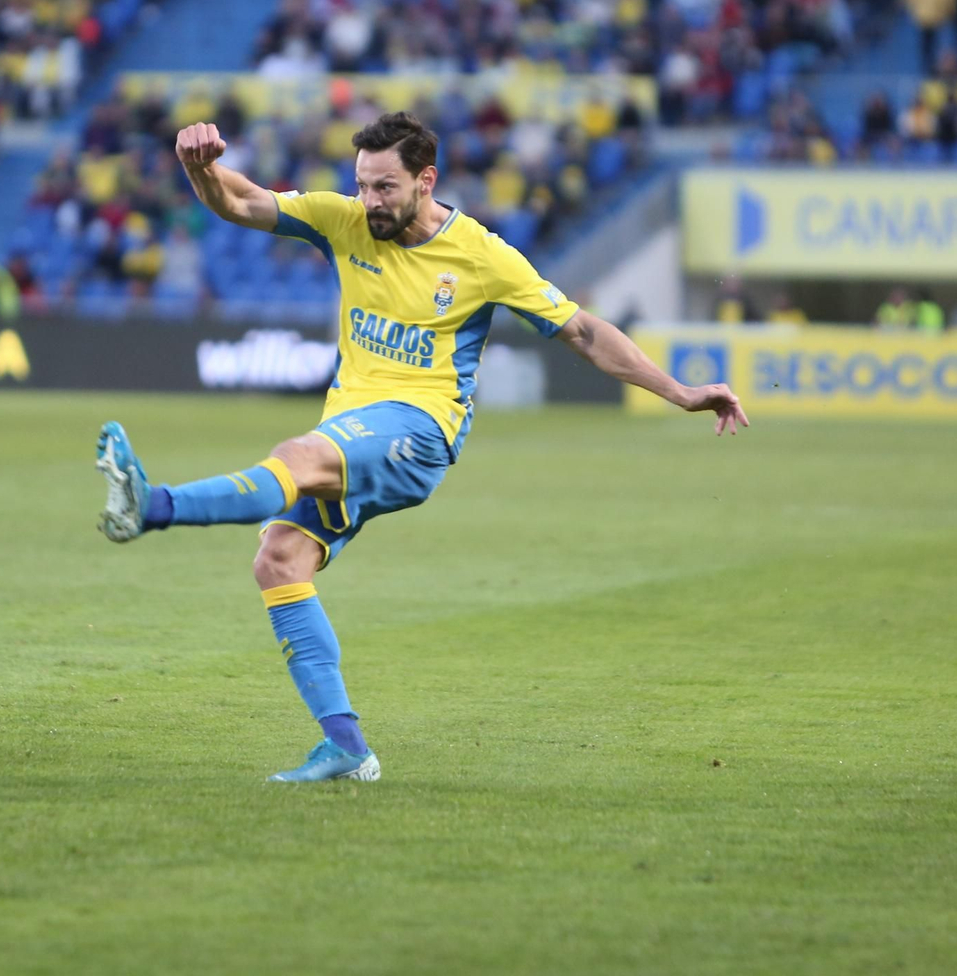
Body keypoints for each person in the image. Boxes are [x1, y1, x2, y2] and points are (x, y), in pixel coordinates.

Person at [93, 113, 747, 784]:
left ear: (425, 179)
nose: (370, 200)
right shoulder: (341, 220)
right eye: (363, 185)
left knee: (298, 453)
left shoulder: (482, 255)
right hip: (354, 425)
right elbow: (238, 199)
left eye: (385, 186)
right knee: (280, 559)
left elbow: (580, 330)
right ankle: (347, 747)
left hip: (420, 430)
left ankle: (155, 505)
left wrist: (680, 391)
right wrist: (199, 166)